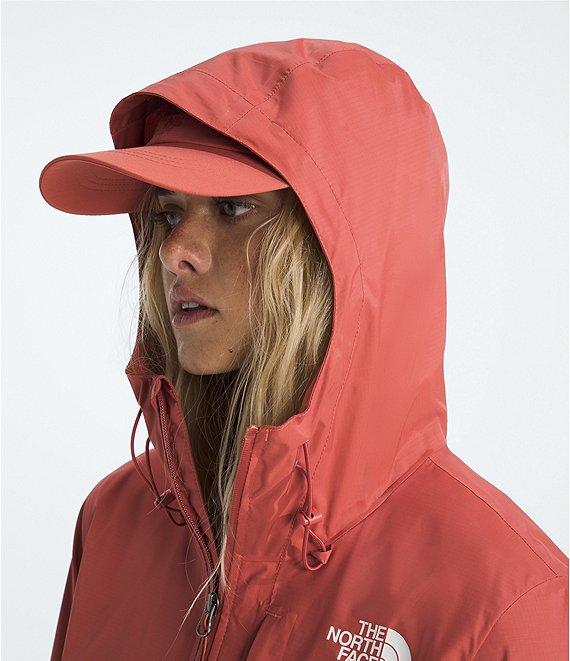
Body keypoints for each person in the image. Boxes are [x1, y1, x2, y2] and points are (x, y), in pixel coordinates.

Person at [39, 37, 568, 660]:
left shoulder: (506, 606)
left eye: (234, 208)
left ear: (345, 252)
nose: (176, 252)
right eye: (168, 213)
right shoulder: (114, 522)